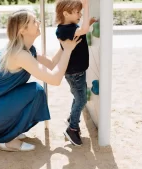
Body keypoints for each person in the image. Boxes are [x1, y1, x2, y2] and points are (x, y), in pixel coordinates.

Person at [0, 9, 81, 152]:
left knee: (34, 91)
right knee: (34, 91)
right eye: (34, 21)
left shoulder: (27, 50)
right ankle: (8, 140)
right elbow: (54, 79)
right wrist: (68, 51)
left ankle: (7, 132)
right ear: (22, 30)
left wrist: (64, 46)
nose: (39, 22)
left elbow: (51, 64)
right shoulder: (19, 54)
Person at [55, 0, 96, 146]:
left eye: (80, 11)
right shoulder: (64, 30)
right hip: (74, 73)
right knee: (81, 100)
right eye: (77, 12)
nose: (80, 14)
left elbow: (81, 30)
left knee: (78, 96)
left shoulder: (71, 26)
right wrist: (85, 6)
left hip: (78, 71)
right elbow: (82, 31)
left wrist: (88, 23)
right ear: (66, 13)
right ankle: (72, 128)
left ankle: (72, 117)